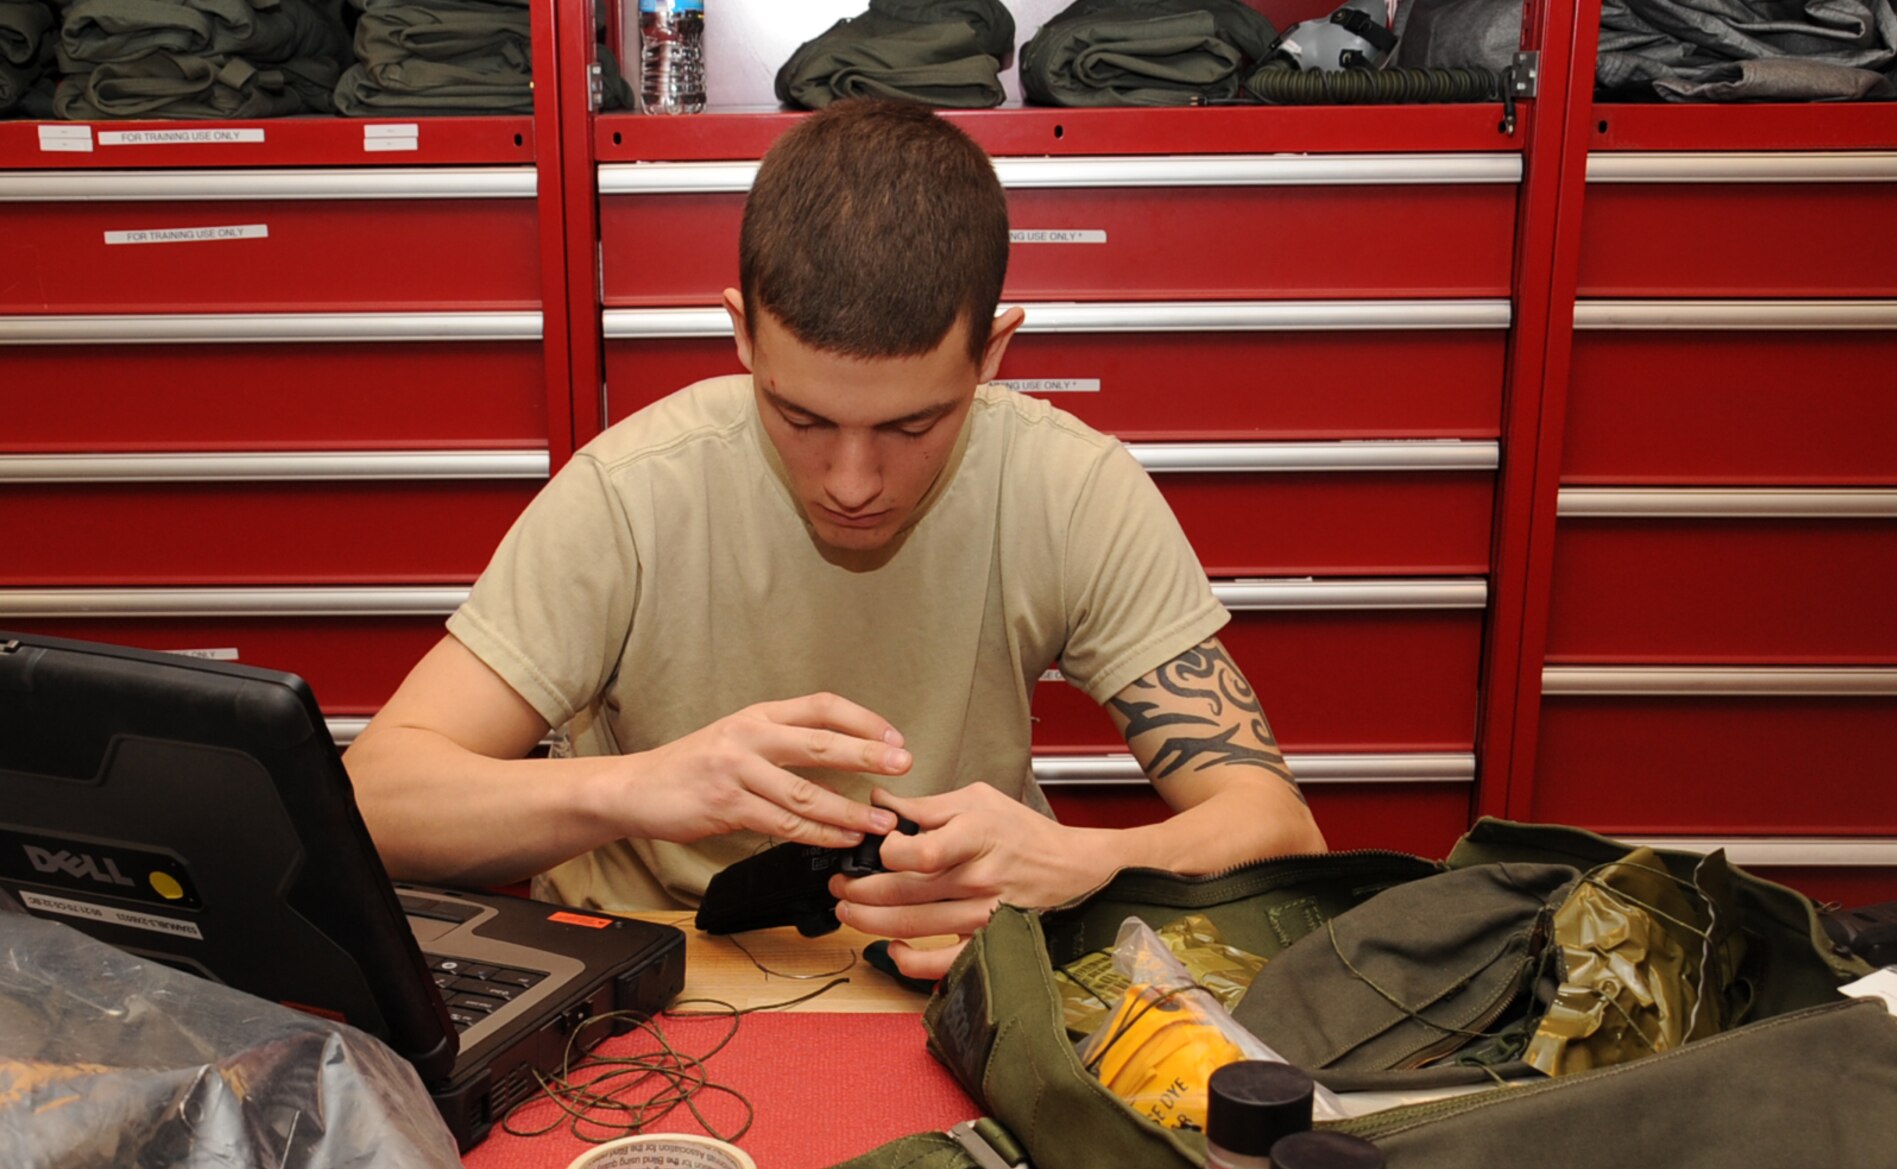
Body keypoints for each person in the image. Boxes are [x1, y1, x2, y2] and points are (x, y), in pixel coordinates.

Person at [345, 99, 1324, 981]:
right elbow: (370, 804)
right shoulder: (629, 494)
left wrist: (1081, 863)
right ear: (741, 335)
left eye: (910, 426)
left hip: (954, 979)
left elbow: (1279, 831)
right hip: (654, 981)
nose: (852, 483)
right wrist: (633, 788)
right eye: (801, 416)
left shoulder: (1070, 488)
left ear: (993, 353)